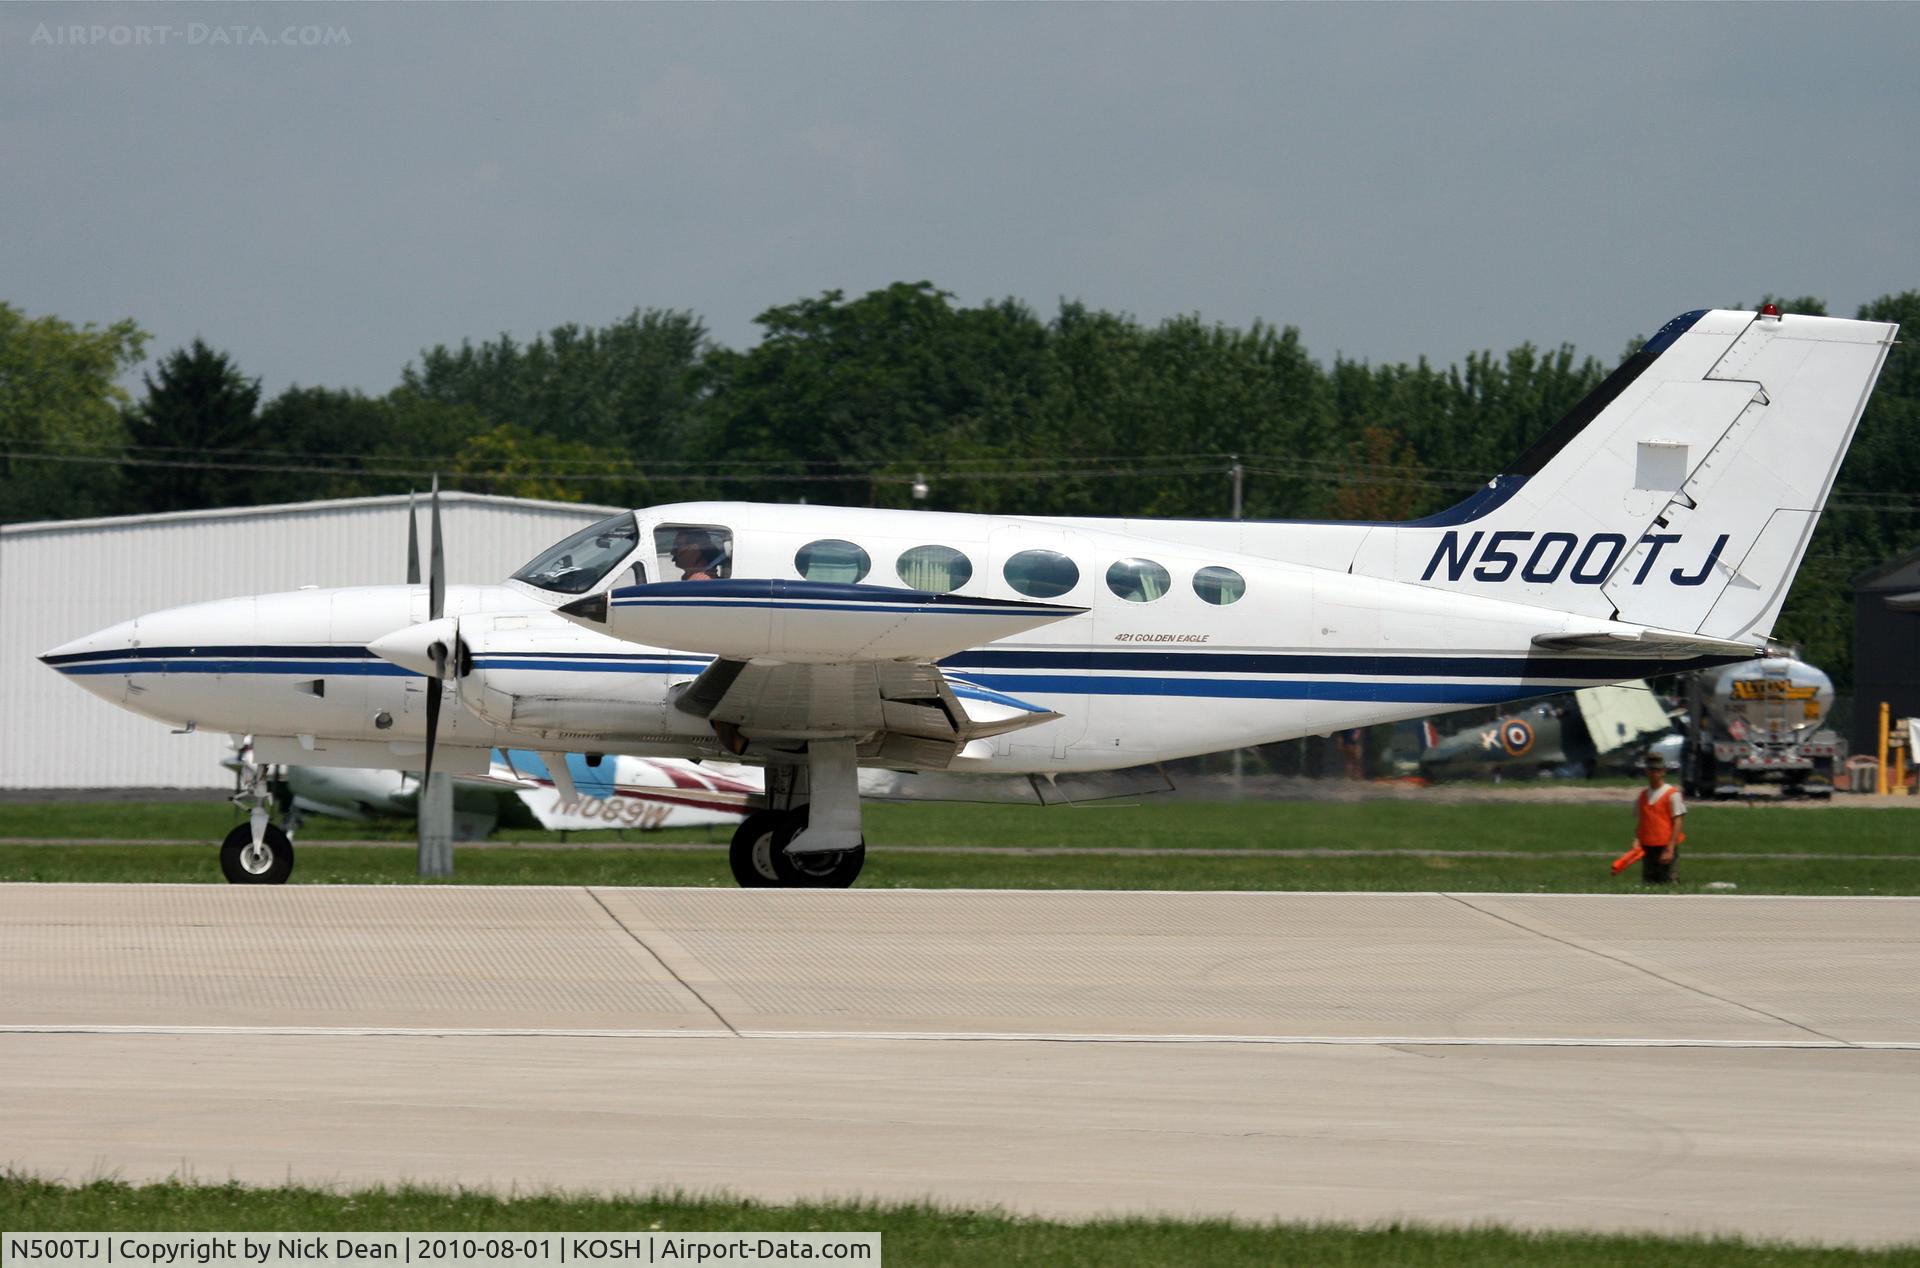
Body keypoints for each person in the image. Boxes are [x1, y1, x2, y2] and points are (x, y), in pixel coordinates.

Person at [1634, 752, 1687, 884]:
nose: (1654, 773)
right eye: (1651, 769)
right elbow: (1642, 821)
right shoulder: (1643, 795)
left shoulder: (1671, 794)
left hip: (1665, 845)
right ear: (1646, 771)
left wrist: (1670, 848)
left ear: (1663, 771)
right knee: (1648, 882)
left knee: (1668, 882)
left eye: (1658, 770)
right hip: (1647, 846)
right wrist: (1637, 840)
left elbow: (1678, 821)